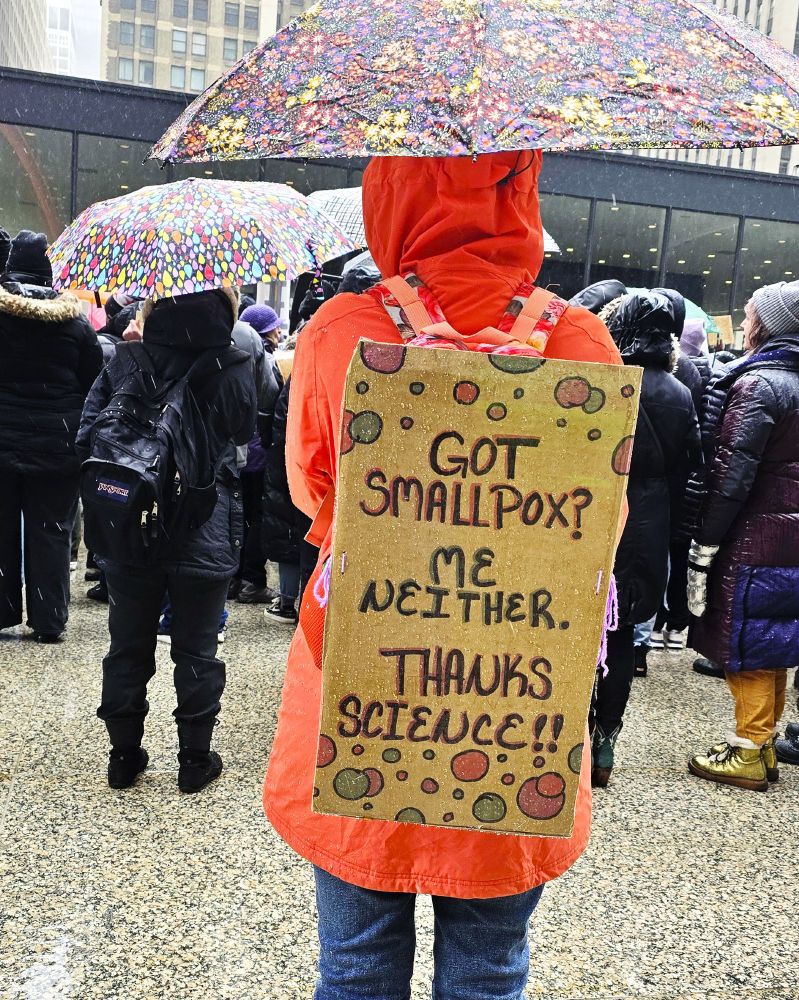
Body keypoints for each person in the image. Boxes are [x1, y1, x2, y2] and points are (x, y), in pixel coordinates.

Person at [263, 151, 624, 999]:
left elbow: (312, 490)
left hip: (368, 679)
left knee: (354, 965)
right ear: (522, 197)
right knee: (489, 969)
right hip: (511, 694)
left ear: (390, 196)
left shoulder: (342, 328)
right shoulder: (579, 339)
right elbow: (599, 520)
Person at [77, 288, 256, 792]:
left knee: (127, 644)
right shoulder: (233, 362)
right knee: (197, 647)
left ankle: (123, 756)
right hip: (205, 522)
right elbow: (244, 430)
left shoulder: (127, 357)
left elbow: (87, 433)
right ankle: (195, 762)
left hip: (132, 523)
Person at [688, 281, 799, 792]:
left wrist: (704, 542)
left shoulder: (760, 385)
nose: (746, 322)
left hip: (757, 535)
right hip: (789, 536)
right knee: (773, 640)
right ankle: (765, 745)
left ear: (768, 326)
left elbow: (731, 475)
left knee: (748, 641)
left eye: (752, 314)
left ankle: (749, 751)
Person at [591, 291, 701, 786]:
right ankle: (606, 743)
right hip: (649, 531)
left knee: (575, 632)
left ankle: (567, 731)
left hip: (593, 519)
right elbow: (690, 473)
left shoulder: (602, 383)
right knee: (620, 640)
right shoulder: (680, 393)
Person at [0, 230, 103, 642]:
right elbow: (93, 382)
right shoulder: (76, 324)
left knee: (1, 529)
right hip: (59, 447)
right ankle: (49, 620)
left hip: (2, 443)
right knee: (52, 531)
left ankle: (3, 611)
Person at [231, 303, 283, 603]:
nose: (278, 331)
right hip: (258, 450)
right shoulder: (267, 357)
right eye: (274, 326)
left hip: (238, 448)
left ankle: (235, 578)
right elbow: (270, 396)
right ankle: (253, 580)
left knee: (237, 516)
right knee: (256, 517)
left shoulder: (235, 350)